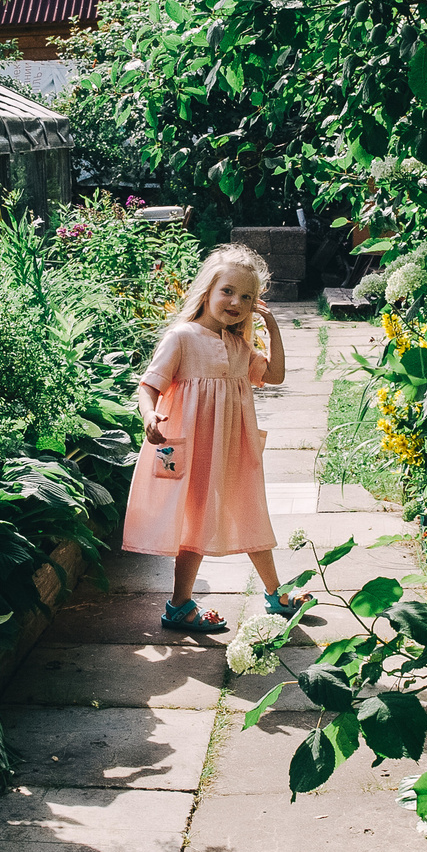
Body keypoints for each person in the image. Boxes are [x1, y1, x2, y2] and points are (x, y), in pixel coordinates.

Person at [122, 243, 315, 635]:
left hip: (232, 448)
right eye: (228, 291)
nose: (236, 302)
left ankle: (275, 593)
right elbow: (149, 385)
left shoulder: (239, 345)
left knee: (249, 510)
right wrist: (149, 414)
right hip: (192, 449)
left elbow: (274, 376)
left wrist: (272, 329)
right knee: (193, 524)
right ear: (207, 291)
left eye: (247, 297)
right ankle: (178, 604)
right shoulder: (182, 337)